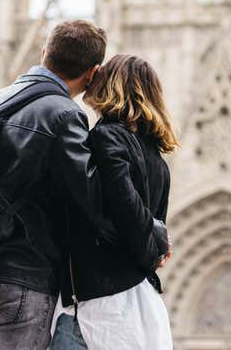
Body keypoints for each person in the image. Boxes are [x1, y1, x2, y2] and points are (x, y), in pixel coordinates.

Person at [0, 21, 169, 350]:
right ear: (92, 73)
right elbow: (99, 206)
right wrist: (154, 238)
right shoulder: (65, 117)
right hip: (17, 277)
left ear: (44, 52)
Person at [50, 54, 179, 350]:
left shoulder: (107, 137)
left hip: (100, 310)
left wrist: (152, 243)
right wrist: (156, 242)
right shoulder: (158, 160)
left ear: (114, 85)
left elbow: (127, 210)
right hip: (139, 304)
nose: (91, 79)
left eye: (101, 74)